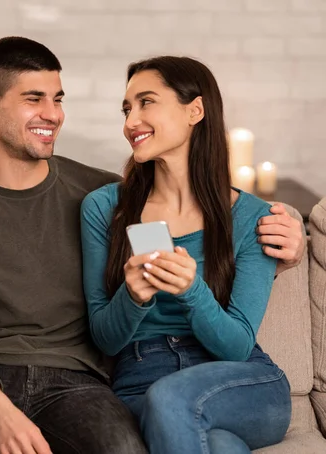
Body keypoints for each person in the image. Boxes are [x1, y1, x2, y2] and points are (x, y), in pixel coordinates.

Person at [0, 37, 304, 454]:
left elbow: (221, 218)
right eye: (34, 99)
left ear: (195, 110)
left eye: (57, 99)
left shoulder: (100, 192)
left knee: (133, 438)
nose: (53, 114)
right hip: (4, 376)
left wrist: (290, 244)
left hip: (77, 381)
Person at [80, 56, 293, 454]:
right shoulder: (104, 208)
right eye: (127, 109)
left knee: (172, 399)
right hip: (141, 380)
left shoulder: (251, 218)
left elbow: (236, 346)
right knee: (219, 445)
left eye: (146, 103)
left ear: (195, 110)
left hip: (241, 381)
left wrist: (193, 291)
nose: (130, 122)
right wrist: (134, 297)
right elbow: (105, 339)